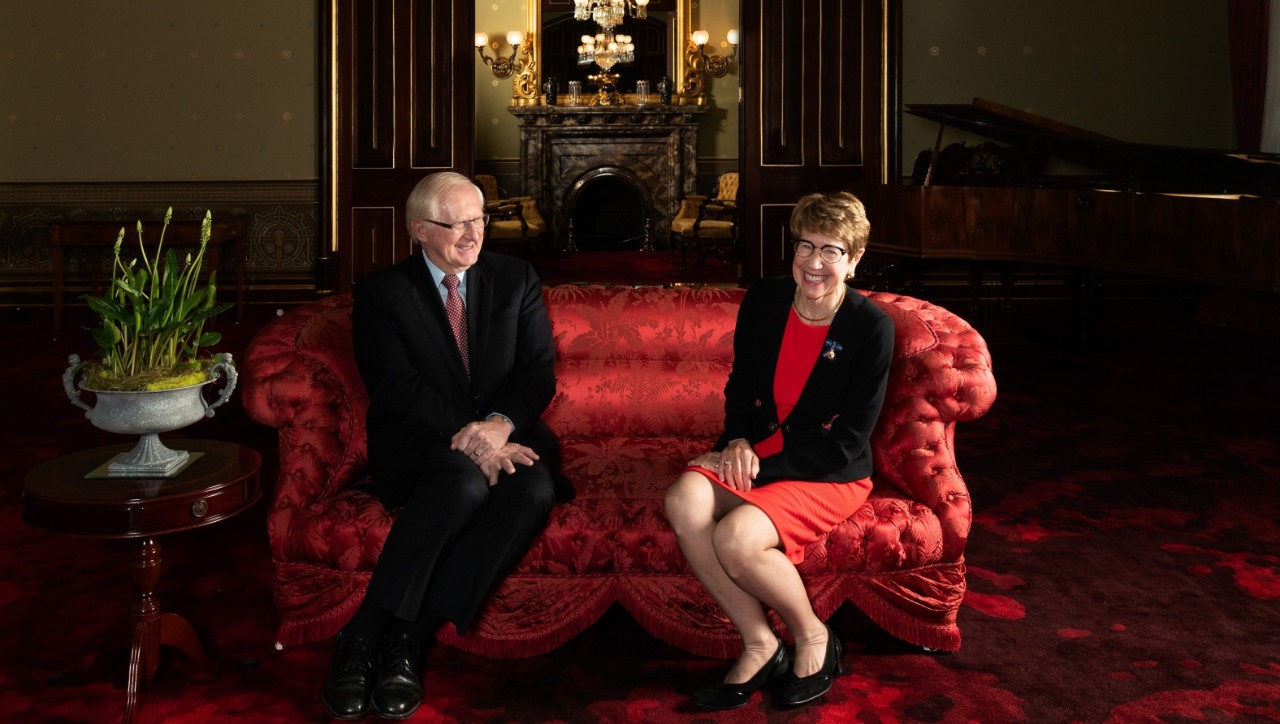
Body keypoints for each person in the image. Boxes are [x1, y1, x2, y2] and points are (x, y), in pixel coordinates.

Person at [322, 171, 571, 720]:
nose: (472, 235)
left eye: (479, 220)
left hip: (506, 434)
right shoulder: (384, 292)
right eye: (456, 224)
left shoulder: (516, 278)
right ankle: (361, 637)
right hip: (421, 440)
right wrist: (473, 438)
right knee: (461, 485)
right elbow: (396, 386)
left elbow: (536, 371)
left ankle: (405, 637)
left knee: (533, 490)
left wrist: (499, 427)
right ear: (419, 229)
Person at [664, 191, 894, 710]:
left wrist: (758, 465)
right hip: (761, 449)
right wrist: (736, 442)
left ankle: (814, 637)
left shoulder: (870, 327)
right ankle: (760, 644)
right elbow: (741, 383)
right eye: (805, 245)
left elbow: (848, 442)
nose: (814, 262)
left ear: (854, 260)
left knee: (737, 539)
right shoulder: (765, 299)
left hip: (828, 470)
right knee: (683, 498)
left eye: (831, 250)